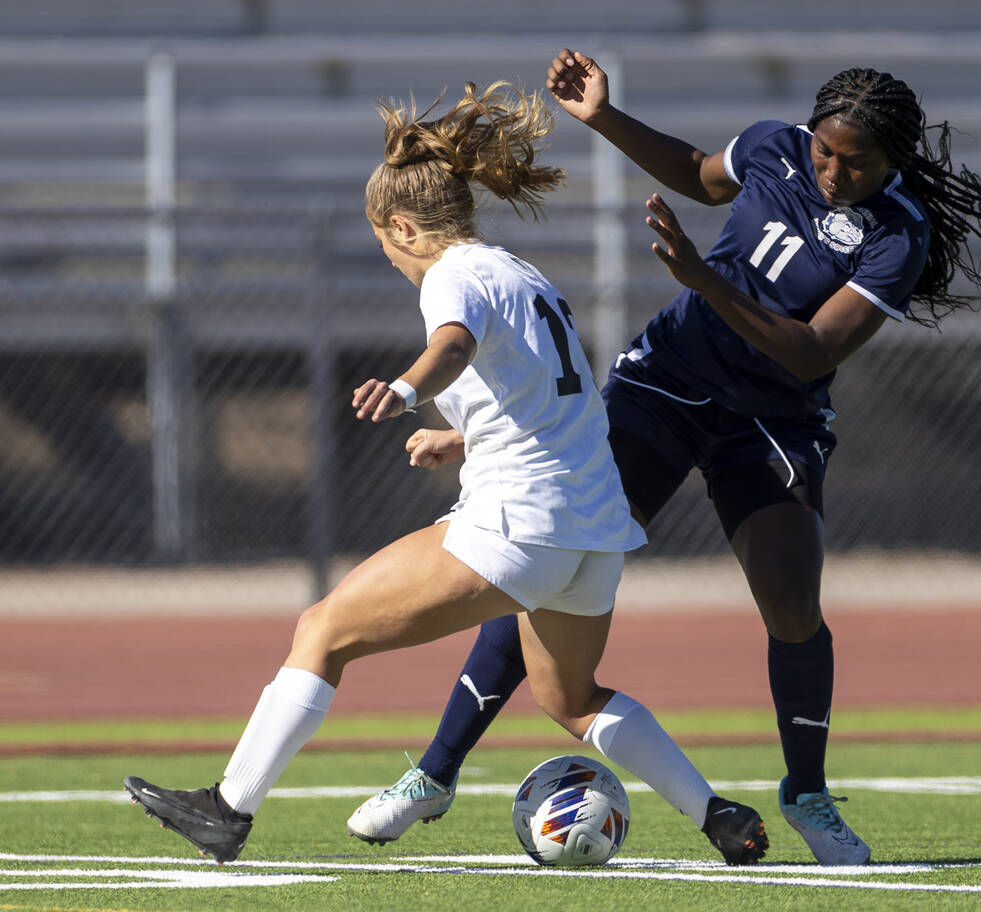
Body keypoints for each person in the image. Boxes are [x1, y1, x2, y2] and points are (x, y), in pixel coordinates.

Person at [347, 50, 981, 866]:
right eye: (826, 152)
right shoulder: (775, 144)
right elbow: (700, 174)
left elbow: (809, 352)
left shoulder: (901, 233)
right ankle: (434, 774)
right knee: (547, 561)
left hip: (773, 420)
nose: (833, 169)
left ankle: (807, 796)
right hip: (667, 383)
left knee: (794, 606)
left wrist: (702, 276)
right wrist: (602, 117)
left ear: (893, 161)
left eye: (856, 162)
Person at [123, 80, 770, 867]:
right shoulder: (523, 275)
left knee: (321, 631)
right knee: (570, 698)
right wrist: (458, 441)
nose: (392, 262)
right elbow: (552, 400)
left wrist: (404, 389)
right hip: (594, 533)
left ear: (402, 225)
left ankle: (228, 808)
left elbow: (454, 346)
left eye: (386, 245)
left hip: (517, 524)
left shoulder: (452, 275)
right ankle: (718, 814)